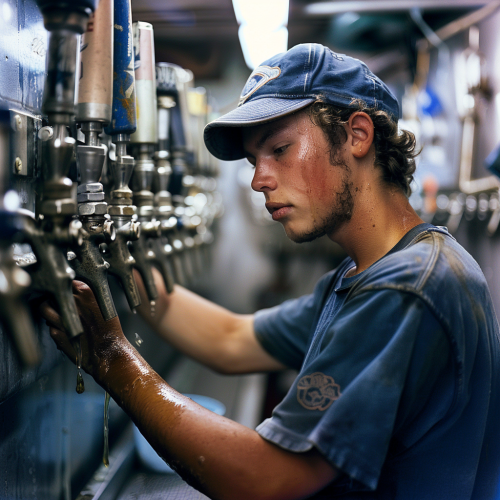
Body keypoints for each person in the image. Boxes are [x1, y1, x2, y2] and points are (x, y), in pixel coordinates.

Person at [41, 43, 500, 499]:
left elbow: (266, 477)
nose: (260, 179)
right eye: (253, 160)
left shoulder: (406, 289)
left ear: (357, 135)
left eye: (280, 149)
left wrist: (112, 358)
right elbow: (232, 340)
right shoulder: (368, 275)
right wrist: (125, 272)